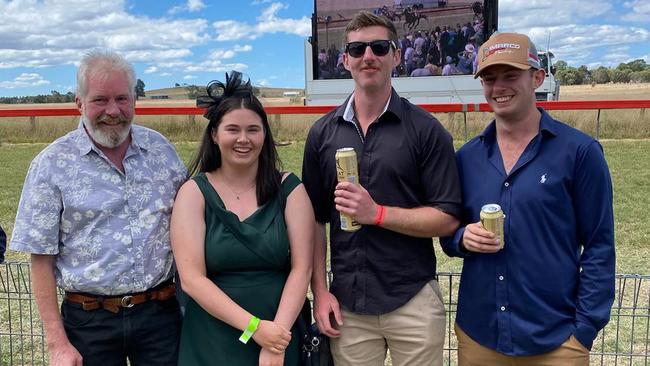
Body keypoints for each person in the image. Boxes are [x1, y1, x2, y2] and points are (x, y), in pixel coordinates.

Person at [441, 32, 615, 365]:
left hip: (556, 340)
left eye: (511, 75)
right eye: (490, 78)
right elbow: (448, 234)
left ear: (537, 77)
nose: (499, 87)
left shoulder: (580, 153)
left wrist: (584, 331)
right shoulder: (467, 158)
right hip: (480, 336)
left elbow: (599, 245)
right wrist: (464, 237)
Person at [302, 11, 462, 366]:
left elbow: (447, 218)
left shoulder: (426, 131)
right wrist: (321, 291)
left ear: (397, 55)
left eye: (379, 47)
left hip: (413, 300)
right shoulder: (321, 134)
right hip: (348, 305)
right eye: (357, 49)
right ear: (345, 60)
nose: (368, 56)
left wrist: (376, 214)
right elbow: (314, 221)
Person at [10, 50, 187, 365]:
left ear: (134, 99)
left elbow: (189, 226)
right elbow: (41, 258)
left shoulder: (161, 152)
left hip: (161, 314)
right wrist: (57, 345)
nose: (113, 110)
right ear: (79, 102)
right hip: (89, 322)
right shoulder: (51, 165)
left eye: (122, 98)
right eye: (100, 100)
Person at [171, 71, 313, 366]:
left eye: (253, 129)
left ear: (265, 134)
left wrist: (276, 340)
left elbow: (302, 269)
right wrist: (255, 328)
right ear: (214, 134)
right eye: (232, 129)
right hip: (212, 341)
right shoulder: (194, 193)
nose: (243, 139)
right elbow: (192, 280)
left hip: (279, 333)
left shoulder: (290, 190)